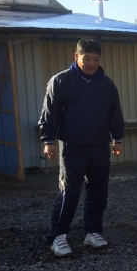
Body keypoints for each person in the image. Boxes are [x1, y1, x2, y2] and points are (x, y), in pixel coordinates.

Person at [39, 38, 124, 257]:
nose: (92, 63)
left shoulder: (106, 84)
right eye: (87, 58)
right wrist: (48, 141)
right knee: (69, 193)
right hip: (72, 148)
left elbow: (114, 114)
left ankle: (93, 232)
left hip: (99, 147)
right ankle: (58, 236)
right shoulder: (61, 81)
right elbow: (49, 114)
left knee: (98, 193)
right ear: (76, 57)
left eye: (96, 59)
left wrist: (117, 139)